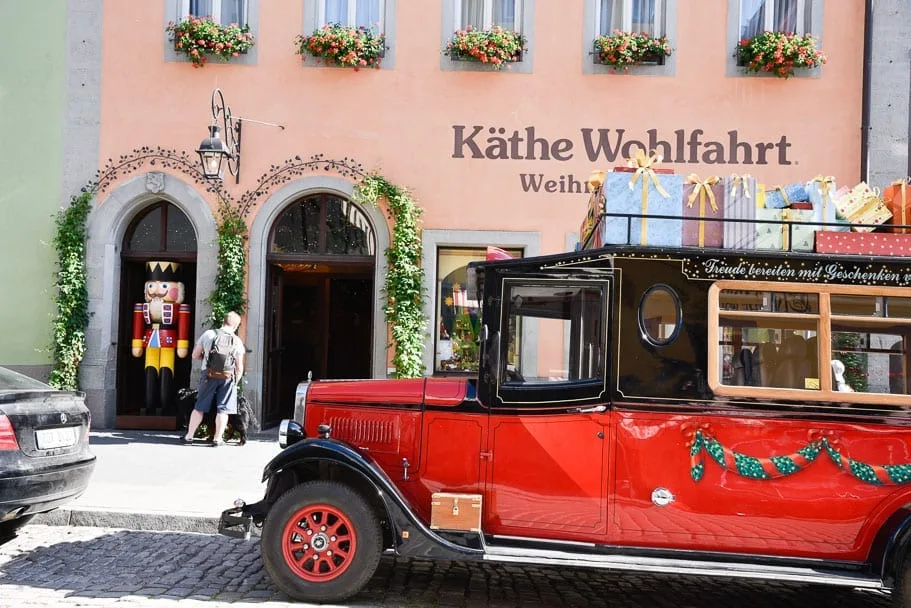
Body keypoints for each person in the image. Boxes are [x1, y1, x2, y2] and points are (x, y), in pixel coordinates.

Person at [183, 311, 246, 446]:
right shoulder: (237, 341)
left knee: (199, 407)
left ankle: (189, 436)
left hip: (208, 374)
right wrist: (235, 382)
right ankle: (217, 439)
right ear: (236, 326)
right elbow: (239, 366)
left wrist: (205, 358)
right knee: (223, 409)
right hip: (228, 377)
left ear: (223, 321)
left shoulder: (209, 334)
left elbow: (195, 355)